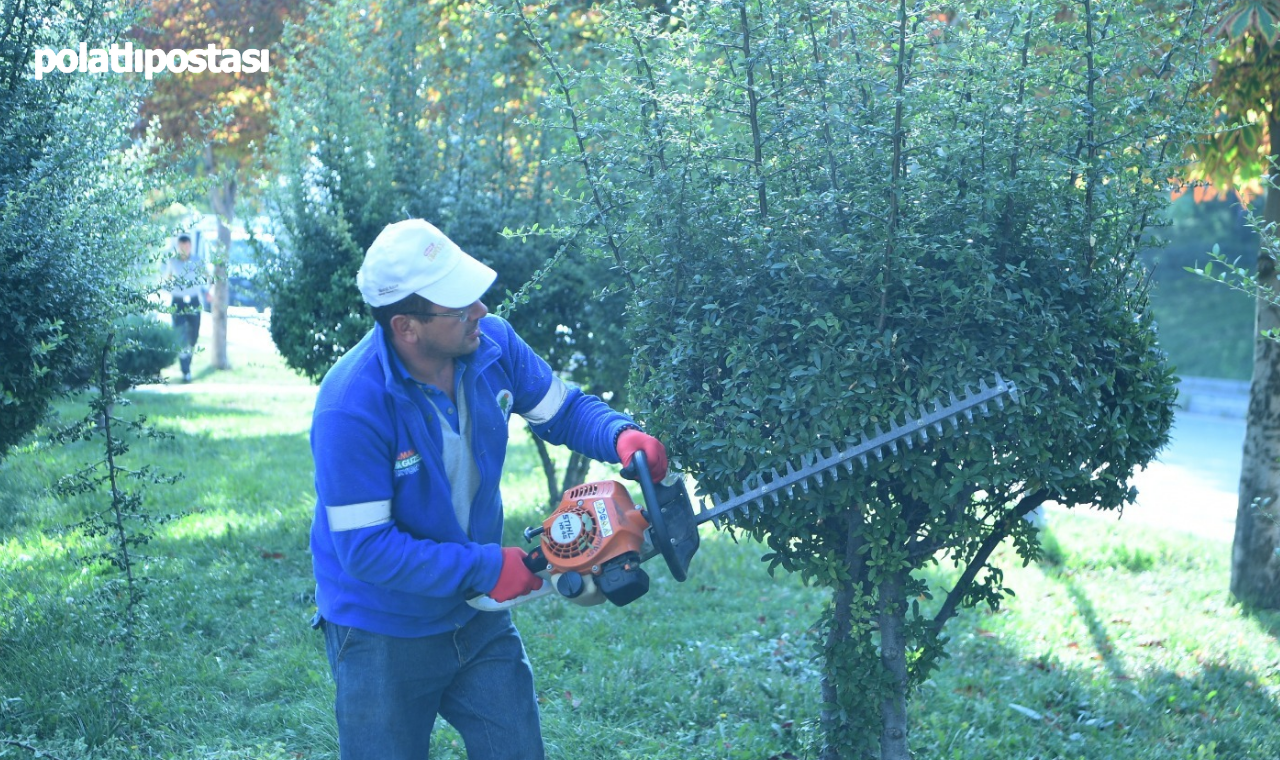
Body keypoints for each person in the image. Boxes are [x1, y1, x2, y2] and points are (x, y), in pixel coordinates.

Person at [308, 218, 668, 760]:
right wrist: (487, 567)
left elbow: (564, 410)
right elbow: (365, 551)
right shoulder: (350, 405)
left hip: (476, 619)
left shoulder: (492, 344)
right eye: (460, 306)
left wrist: (619, 434)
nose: (480, 310)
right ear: (406, 327)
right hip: (382, 628)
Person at [161, 232, 205, 382]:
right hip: (178, 302)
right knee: (180, 335)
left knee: (193, 335)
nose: (184, 249)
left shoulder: (198, 261)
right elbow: (167, 278)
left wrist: (210, 290)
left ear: (191, 246)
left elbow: (208, 277)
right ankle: (185, 370)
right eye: (182, 246)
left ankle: (188, 363)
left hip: (193, 301)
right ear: (178, 247)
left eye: (187, 246)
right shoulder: (173, 261)